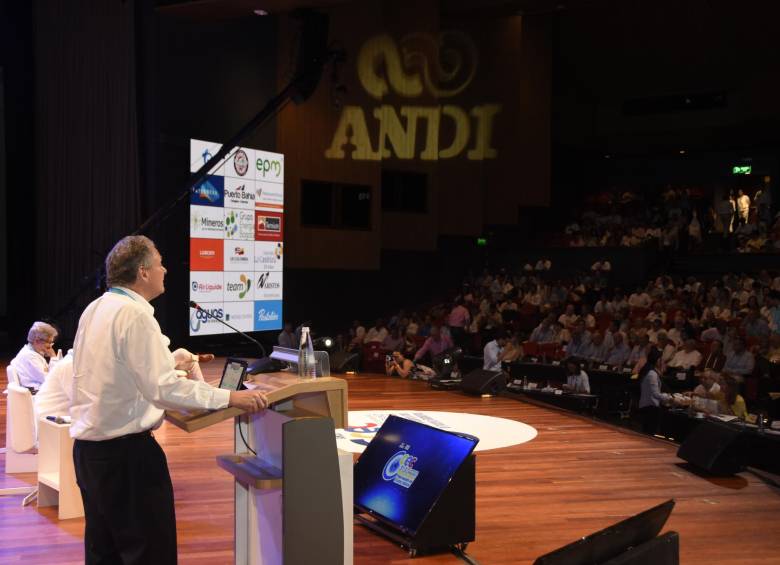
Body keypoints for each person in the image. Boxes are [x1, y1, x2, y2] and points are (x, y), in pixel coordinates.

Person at [70, 235, 268, 565]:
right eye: (160, 263)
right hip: (127, 457)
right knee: (150, 554)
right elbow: (164, 390)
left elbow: (110, 371)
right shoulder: (136, 315)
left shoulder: (96, 308)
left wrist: (166, 361)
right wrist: (231, 397)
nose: (165, 270)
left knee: (104, 553)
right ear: (143, 272)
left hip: (90, 454)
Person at [10, 321, 59, 391]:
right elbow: (51, 380)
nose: (50, 346)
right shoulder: (30, 357)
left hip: (40, 390)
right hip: (36, 393)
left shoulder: (32, 352)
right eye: (49, 342)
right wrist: (53, 356)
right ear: (37, 341)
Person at [34, 348, 74, 420]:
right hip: (49, 421)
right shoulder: (70, 364)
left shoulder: (71, 362)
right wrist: (53, 357)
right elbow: (81, 402)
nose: (49, 346)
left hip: (54, 418)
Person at [637, 348, 670, 435]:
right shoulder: (652, 373)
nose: (663, 362)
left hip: (647, 405)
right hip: (651, 407)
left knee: (646, 432)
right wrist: (670, 398)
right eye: (661, 360)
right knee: (650, 432)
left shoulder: (648, 370)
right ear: (657, 360)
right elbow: (655, 394)